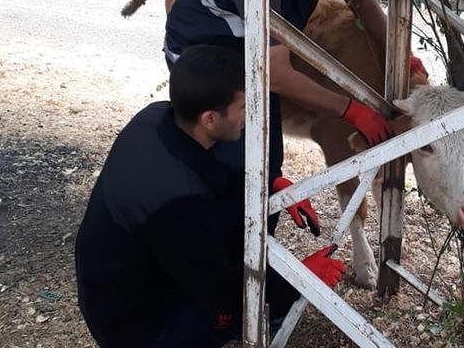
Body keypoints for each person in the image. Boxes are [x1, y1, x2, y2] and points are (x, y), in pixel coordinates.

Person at [75, 46, 346, 348]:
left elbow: (213, 173)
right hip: (133, 324)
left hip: (118, 274)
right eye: (244, 106)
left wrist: (272, 184)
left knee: (238, 215)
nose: (251, 114)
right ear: (210, 119)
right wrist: (299, 279)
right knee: (220, 311)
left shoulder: (157, 118)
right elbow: (224, 290)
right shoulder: (179, 203)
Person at [163, 0, 428, 195]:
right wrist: (352, 110)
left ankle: (262, 212)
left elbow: (363, 2)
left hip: (250, 53)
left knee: (268, 164)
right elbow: (276, 75)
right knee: (235, 163)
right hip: (202, 61)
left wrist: (400, 54)